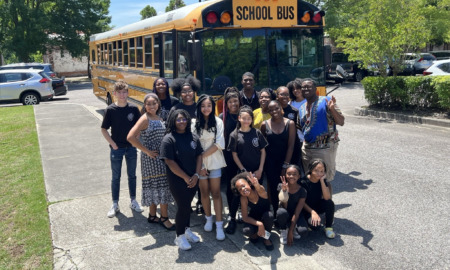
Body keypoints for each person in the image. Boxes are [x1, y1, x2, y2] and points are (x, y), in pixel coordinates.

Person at [127, 93, 175, 230]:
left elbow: (138, 135)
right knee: (162, 186)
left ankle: (153, 215)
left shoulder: (159, 117)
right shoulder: (145, 118)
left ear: (158, 104)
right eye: (148, 104)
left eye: (154, 103)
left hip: (159, 157)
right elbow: (130, 137)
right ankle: (164, 218)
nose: (152, 106)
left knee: (155, 186)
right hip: (152, 159)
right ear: (145, 106)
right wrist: (146, 150)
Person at [160, 109, 203, 250]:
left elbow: (199, 156)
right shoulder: (169, 139)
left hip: (193, 178)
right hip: (178, 180)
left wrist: (196, 175)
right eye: (178, 119)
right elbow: (170, 162)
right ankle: (179, 236)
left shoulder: (193, 136)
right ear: (173, 121)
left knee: (187, 206)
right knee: (183, 207)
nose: (181, 122)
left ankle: (187, 229)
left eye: (184, 119)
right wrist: (186, 178)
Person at [101, 80, 144, 218]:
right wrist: (112, 144)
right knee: (116, 177)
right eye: (119, 92)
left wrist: (135, 139)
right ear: (114, 94)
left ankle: (133, 200)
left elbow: (139, 127)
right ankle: (115, 204)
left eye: (124, 92)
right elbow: (104, 129)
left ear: (128, 93)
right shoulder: (110, 110)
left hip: (131, 148)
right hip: (117, 148)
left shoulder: (133, 109)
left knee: (132, 175)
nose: (122, 95)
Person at [298, 78, 345, 193]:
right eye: (303, 87)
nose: (306, 89)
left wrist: (332, 109)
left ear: (315, 89)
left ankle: (327, 205)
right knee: (310, 178)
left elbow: (341, 122)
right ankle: (315, 204)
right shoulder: (302, 108)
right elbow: (302, 127)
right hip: (307, 148)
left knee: (324, 179)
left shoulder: (326, 101)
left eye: (309, 86)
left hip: (324, 147)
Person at [192, 95, 227, 241]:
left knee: (216, 193)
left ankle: (219, 224)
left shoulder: (218, 121)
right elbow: (193, 144)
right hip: (200, 164)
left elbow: (219, 143)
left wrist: (203, 158)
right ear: (199, 107)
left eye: (209, 105)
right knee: (204, 192)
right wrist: (200, 165)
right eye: (203, 105)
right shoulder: (194, 123)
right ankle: (208, 218)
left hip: (214, 161)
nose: (206, 108)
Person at [168, 76, 203, 213]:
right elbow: (170, 130)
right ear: (179, 93)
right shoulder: (176, 109)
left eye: (190, 91)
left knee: (199, 177)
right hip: (182, 150)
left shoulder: (200, 108)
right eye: (184, 91)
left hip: (198, 149)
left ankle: (200, 202)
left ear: (194, 91)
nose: (187, 94)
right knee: (184, 178)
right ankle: (184, 205)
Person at [261, 100, 300, 215]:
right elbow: (262, 146)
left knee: (287, 187)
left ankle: (287, 212)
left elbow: (291, 146)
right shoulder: (264, 125)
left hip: (286, 161)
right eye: (271, 110)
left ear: (281, 108)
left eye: (276, 108)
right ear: (268, 111)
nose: (274, 111)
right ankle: (276, 213)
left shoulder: (290, 123)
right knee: (273, 188)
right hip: (270, 162)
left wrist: (285, 165)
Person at [231, 172, 274, 251]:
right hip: (255, 218)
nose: (243, 189)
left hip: (266, 216)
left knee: (269, 216)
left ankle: (266, 237)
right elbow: (245, 217)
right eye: (240, 189)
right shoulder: (243, 198)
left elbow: (261, 190)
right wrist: (259, 224)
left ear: (249, 184)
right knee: (247, 231)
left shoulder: (260, 190)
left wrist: (256, 184)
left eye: (243, 186)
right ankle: (257, 233)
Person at [218, 87, 241, 234]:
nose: (233, 104)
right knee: (232, 185)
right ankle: (232, 216)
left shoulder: (244, 114)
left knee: (245, 185)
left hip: (244, 155)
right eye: (230, 102)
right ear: (226, 104)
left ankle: (242, 211)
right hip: (228, 156)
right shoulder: (222, 117)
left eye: (236, 101)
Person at [228, 105, 268, 183]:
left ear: (252, 119)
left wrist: (260, 169)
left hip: (257, 171)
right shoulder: (234, 135)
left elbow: (263, 151)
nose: (246, 121)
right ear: (239, 118)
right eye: (244, 118)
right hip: (243, 172)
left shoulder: (257, 132)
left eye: (249, 118)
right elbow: (234, 155)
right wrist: (243, 170)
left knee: (258, 191)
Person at [300, 159, 335, 239]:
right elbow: (301, 202)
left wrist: (322, 181)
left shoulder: (322, 179)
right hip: (305, 209)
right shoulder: (303, 182)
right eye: (316, 170)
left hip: (316, 206)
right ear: (310, 170)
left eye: (322, 171)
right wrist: (313, 213)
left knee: (329, 203)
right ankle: (307, 222)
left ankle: (328, 227)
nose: (319, 173)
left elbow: (327, 198)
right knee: (316, 227)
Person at [276, 165, 308, 245]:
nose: (291, 176)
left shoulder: (302, 190)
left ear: (299, 176)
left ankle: (292, 228)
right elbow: (284, 207)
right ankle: (283, 230)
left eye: (294, 174)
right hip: (285, 213)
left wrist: (291, 231)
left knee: (303, 231)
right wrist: (284, 192)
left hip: (296, 214)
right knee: (281, 212)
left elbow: (297, 212)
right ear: (285, 175)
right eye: (289, 174)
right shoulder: (280, 186)